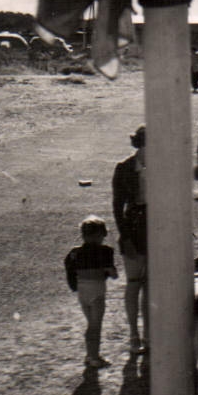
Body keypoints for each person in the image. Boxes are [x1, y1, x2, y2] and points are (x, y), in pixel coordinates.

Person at [111, 125, 148, 354]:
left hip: (157, 227)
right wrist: (124, 236)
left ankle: (150, 335)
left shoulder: (164, 167)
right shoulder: (124, 168)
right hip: (134, 227)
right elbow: (117, 206)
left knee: (152, 285)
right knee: (134, 283)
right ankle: (134, 334)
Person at [63, 216, 119, 368]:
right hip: (97, 291)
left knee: (91, 325)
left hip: (82, 291)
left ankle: (89, 354)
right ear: (101, 235)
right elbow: (113, 274)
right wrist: (111, 272)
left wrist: (74, 286)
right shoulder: (105, 252)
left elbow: (69, 269)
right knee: (95, 326)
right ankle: (94, 357)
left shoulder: (75, 253)